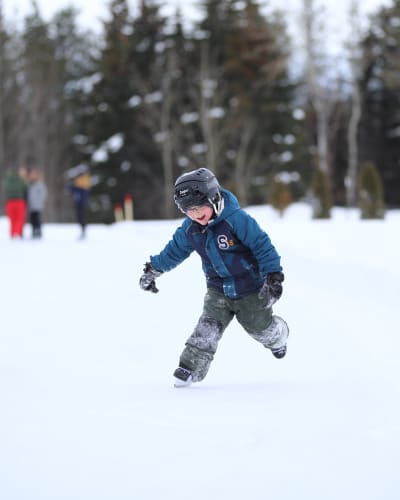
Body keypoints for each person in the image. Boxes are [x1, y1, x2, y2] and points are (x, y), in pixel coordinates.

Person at [139, 168, 289, 388]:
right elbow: (174, 250)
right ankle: (189, 368)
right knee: (208, 326)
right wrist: (154, 269)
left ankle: (278, 337)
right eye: (188, 210)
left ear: (214, 199)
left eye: (199, 208)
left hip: (250, 287)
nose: (195, 214)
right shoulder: (190, 228)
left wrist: (273, 276)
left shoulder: (236, 220)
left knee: (258, 326)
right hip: (218, 288)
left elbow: (262, 245)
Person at [2, 167, 28, 239]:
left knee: (12, 219)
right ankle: (17, 233)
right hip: (19, 201)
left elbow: (5, 187)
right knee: (19, 218)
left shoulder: (7, 180)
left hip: (9, 202)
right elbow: (26, 186)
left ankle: (12, 234)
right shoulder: (21, 179)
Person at [68, 171, 91, 239]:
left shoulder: (83, 184)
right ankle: (83, 230)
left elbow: (72, 189)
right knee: (80, 217)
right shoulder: (80, 184)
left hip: (81, 202)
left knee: (81, 217)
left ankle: (83, 230)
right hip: (79, 202)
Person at [27, 168, 48, 239]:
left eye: (34, 174)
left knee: (37, 218)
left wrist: (39, 201)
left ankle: (38, 231)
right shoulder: (29, 184)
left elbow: (43, 194)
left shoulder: (40, 184)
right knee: (32, 219)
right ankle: (33, 231)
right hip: (31, 205)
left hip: (37, 205)